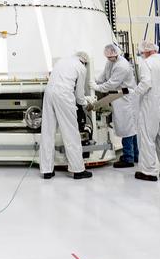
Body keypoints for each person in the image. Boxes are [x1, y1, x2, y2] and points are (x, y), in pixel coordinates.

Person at [41, 51, 93, 179]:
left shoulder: (62, 60)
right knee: (71, 133)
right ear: (84, 61)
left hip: (48, 93)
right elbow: (79, 94)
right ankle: (78, 170)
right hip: (63, 95)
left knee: (47, 131)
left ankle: (47, 170)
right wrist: (87, 102)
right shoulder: (81, 67)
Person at [132, 40, 160, 182]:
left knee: (147, 138)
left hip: (151, 105)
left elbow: (146, 83)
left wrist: (135, 93)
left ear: (145, 51)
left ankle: (149, 171)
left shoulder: (146, 63)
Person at [95, 43, 137, 168]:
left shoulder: (122, 65)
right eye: (108, 57)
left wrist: (98, 88)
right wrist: (94, 81)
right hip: (118, 98)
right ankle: (135, 155)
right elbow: (104, 76)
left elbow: (112, 83)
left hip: (125, 98)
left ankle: (128, 158)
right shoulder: (110, 62)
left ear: (117, 54)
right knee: (130, 128)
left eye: (112, 57)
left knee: (127, 128)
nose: (110, 59)